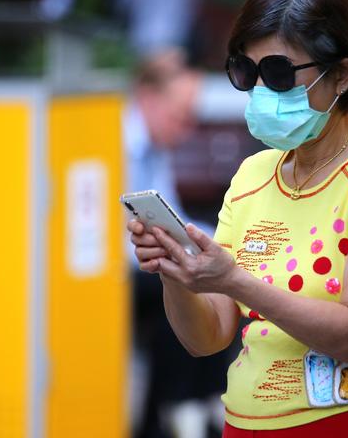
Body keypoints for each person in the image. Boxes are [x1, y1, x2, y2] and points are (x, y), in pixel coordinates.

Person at [127, 0, 348, 437]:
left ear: (340, 74)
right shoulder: (253, 176)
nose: (260, 90)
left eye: (277, 72)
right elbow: (208, 336)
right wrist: (176, 272)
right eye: (246, 71)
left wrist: (237, 282)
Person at [124, 50, 227, 438]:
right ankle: (182, 407)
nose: (186, 130)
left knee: (205, 280)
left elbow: (173, 218)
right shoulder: (113, 139)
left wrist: (220, 241)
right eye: (180, 116)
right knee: (179, 286)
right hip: (110, 270)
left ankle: (192, 404)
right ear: (149, 99)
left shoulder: (154, 147)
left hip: (137, 263)